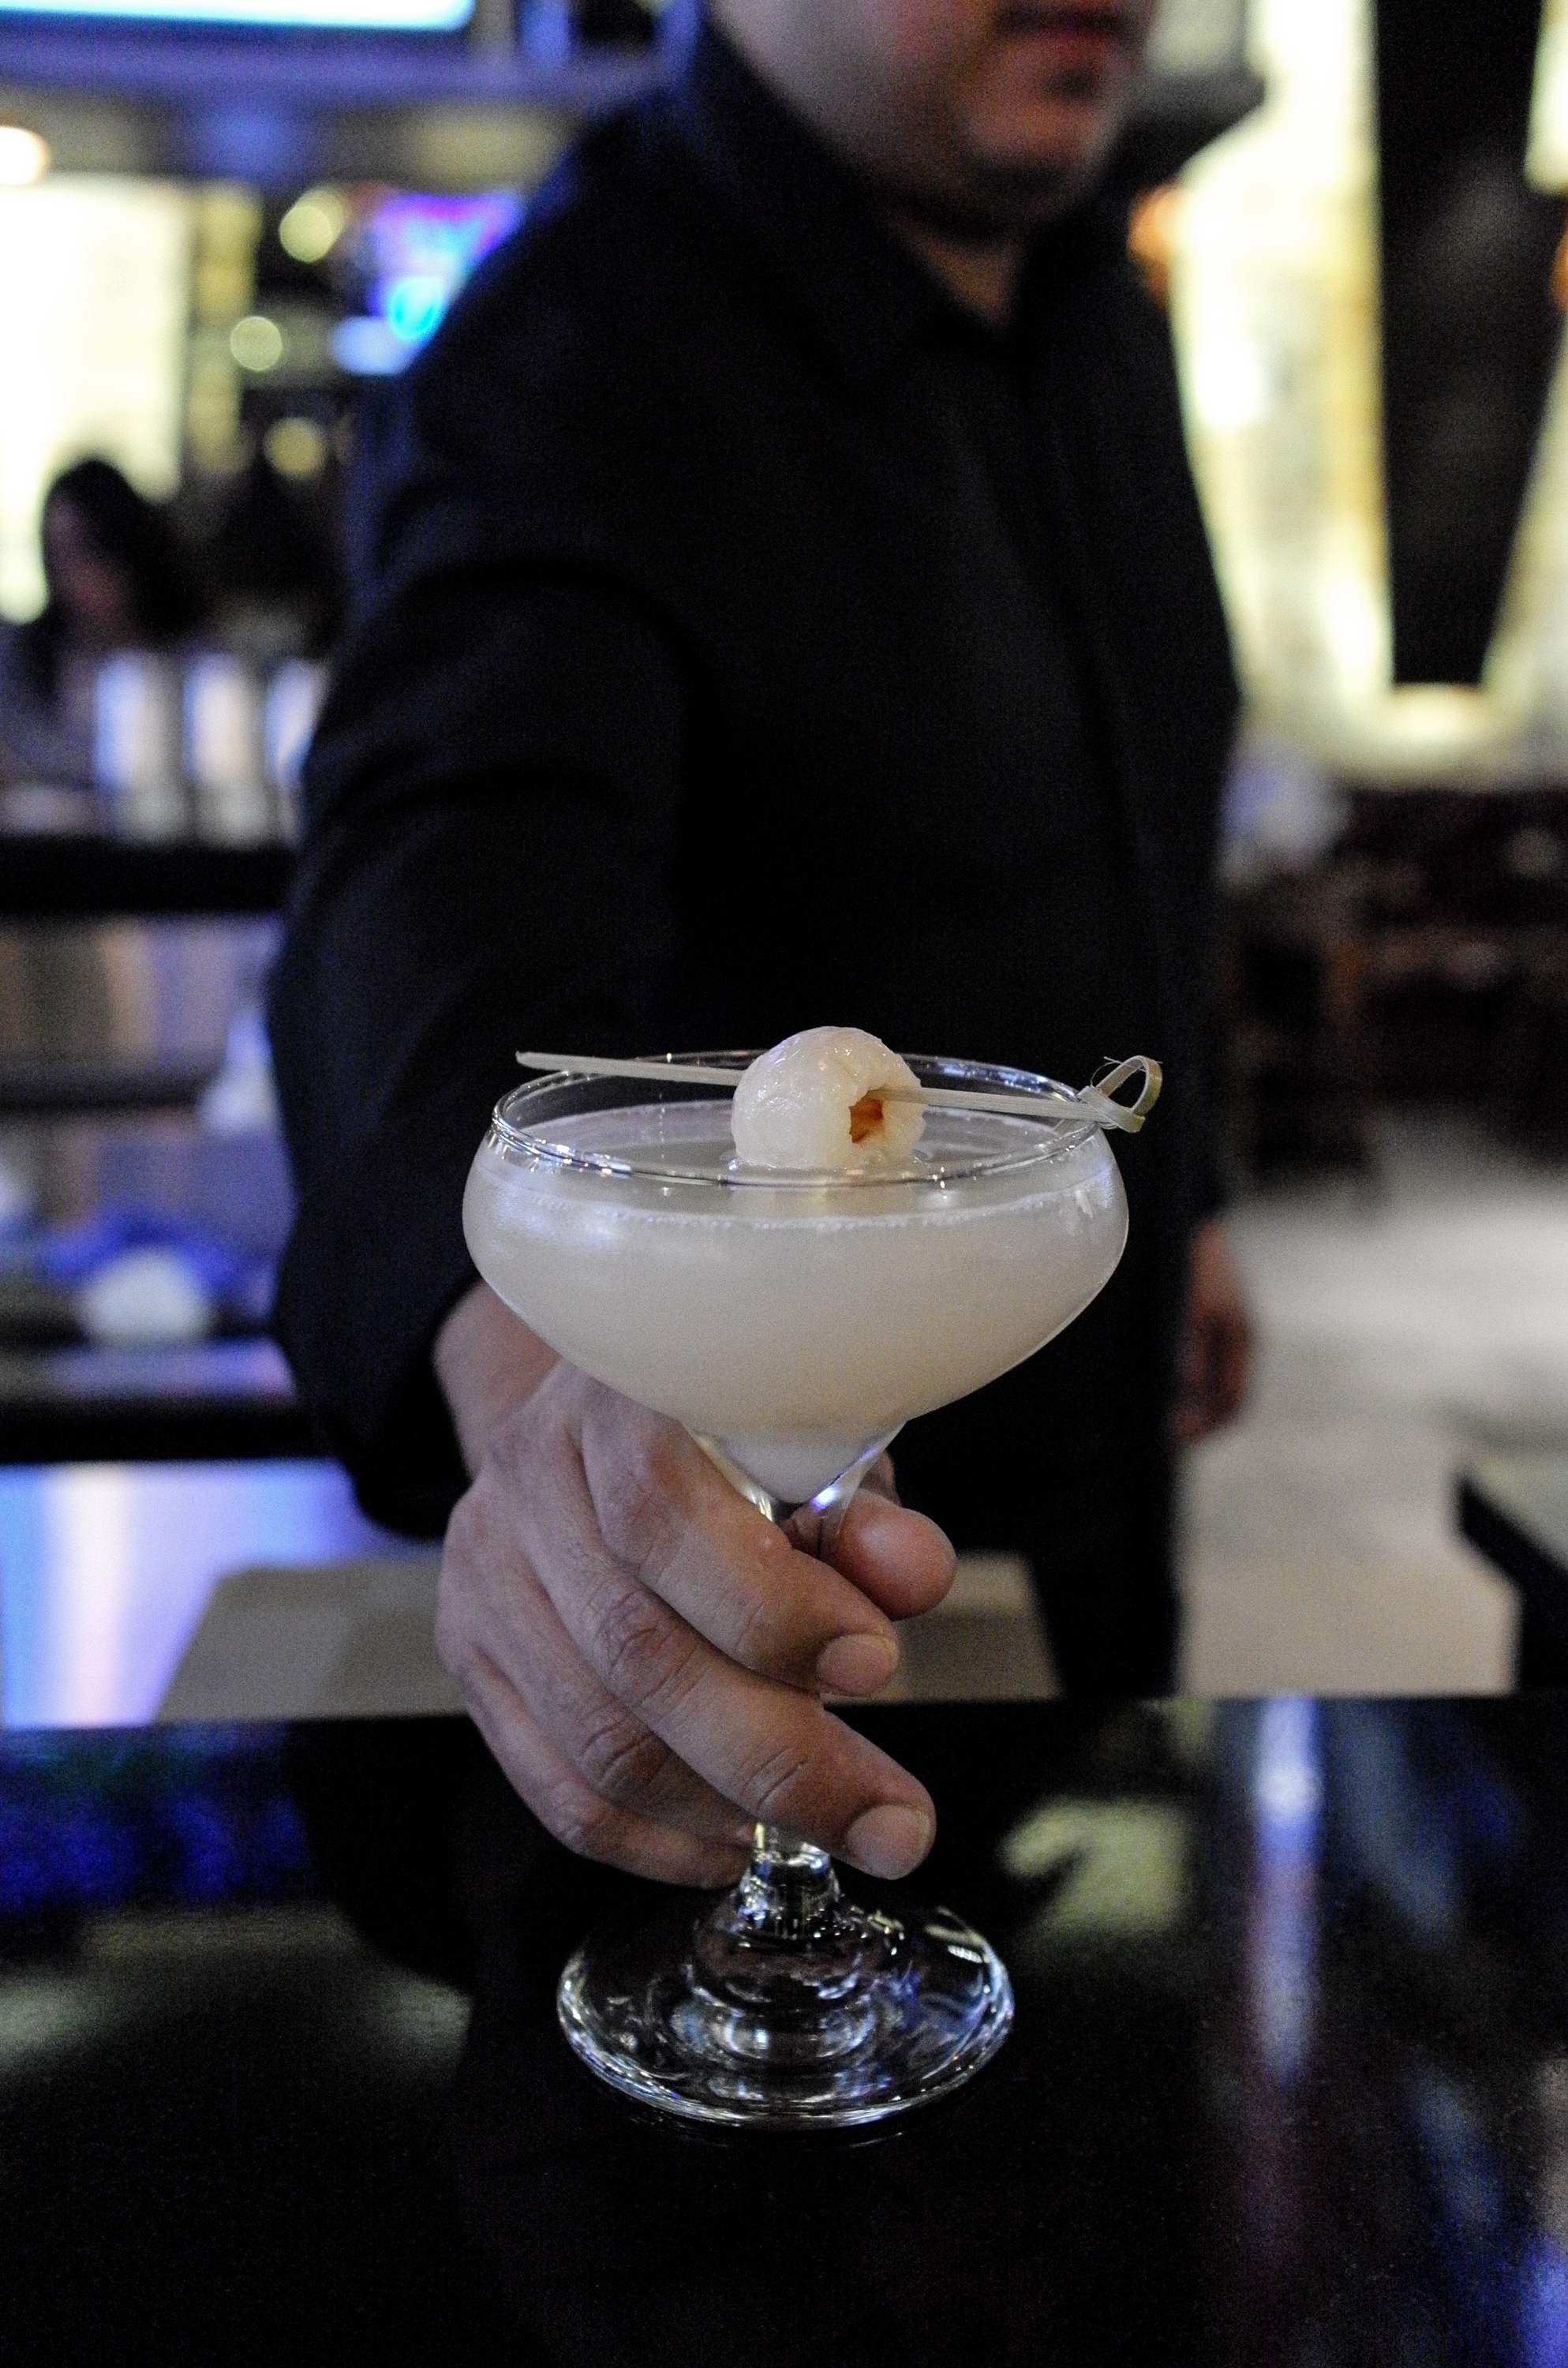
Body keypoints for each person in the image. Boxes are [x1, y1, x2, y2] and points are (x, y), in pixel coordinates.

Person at [268, 0, 1252, 1892]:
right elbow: (439, 872)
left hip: (1083, 1500)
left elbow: (1118, 819)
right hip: (706, 1612)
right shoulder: (577, 341)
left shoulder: (1091, 299)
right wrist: (542, 1395)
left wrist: (1186, 1187)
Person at [0, 458, 201, 790]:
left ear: (125, 549)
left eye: (85, 550)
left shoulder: (197, 663)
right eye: (57, 556)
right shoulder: (25, 656)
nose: (73, 576)